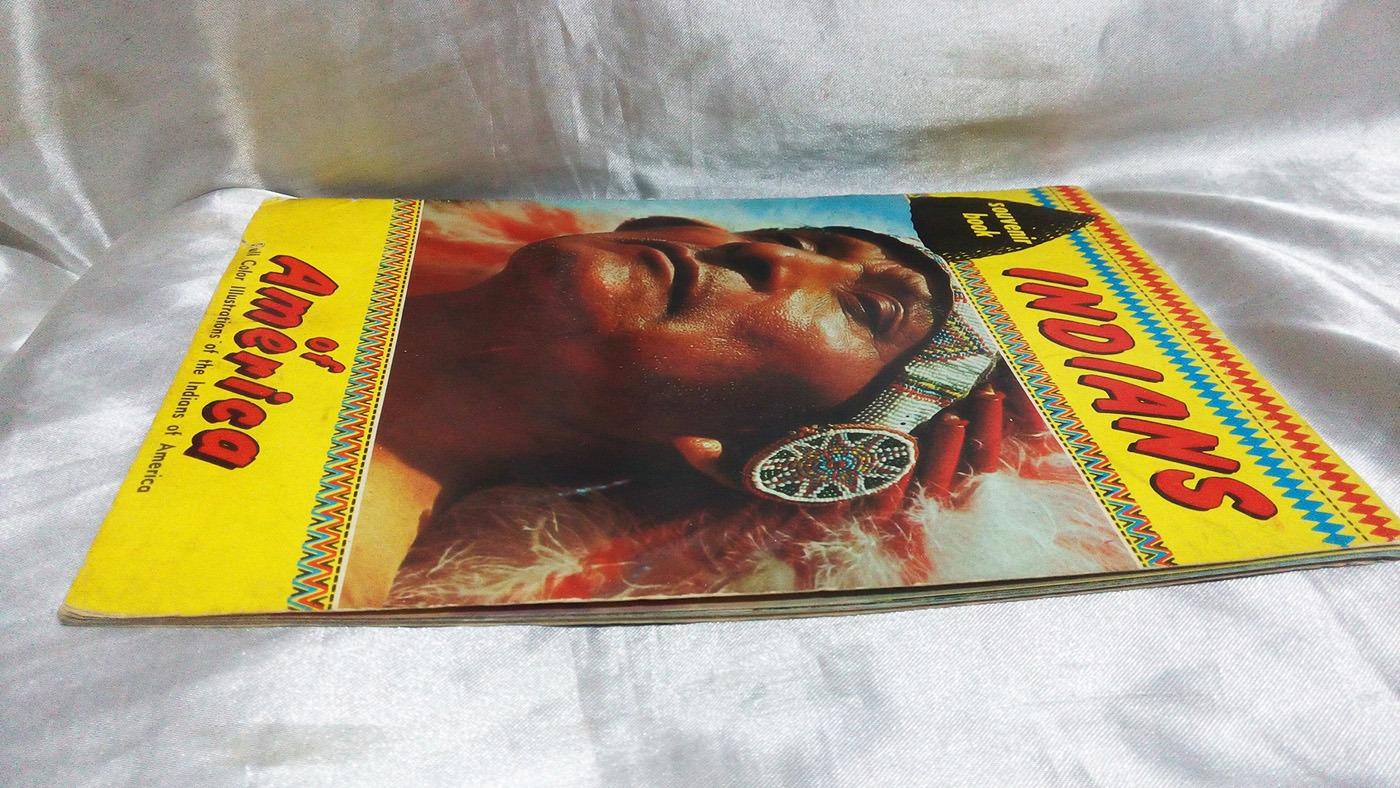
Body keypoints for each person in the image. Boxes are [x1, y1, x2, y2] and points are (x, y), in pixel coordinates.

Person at [340, 207, 1135, 608]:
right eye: (805, 238)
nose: (768, 252)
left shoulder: (329, 559)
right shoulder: (349, 217)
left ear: (736, 448)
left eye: (871, 311)